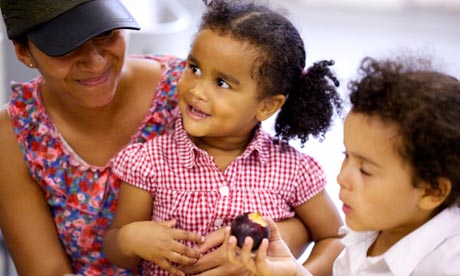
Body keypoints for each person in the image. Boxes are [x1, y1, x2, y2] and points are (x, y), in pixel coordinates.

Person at [0, 0, 310, 275]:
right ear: (23, 51)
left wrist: (250, 249)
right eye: (67, 46)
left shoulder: (195, 93)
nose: (95, 62)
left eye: (106, 33)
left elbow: (287, 202)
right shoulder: (14, 131)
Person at [103, 0, 344, 275]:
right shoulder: (148, 162)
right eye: (194, 68)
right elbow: (116, 249)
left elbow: (335, 239)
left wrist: (297, 273)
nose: (197, 90)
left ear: (267, 106)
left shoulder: (294, 170)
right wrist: (130, 239)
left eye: (221, 83)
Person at [225, 56, 460, 275]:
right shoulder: (368, 231)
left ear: (431, 191)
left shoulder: (447, 265)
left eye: (365, 170)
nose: (341, 177)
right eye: (346, 155)